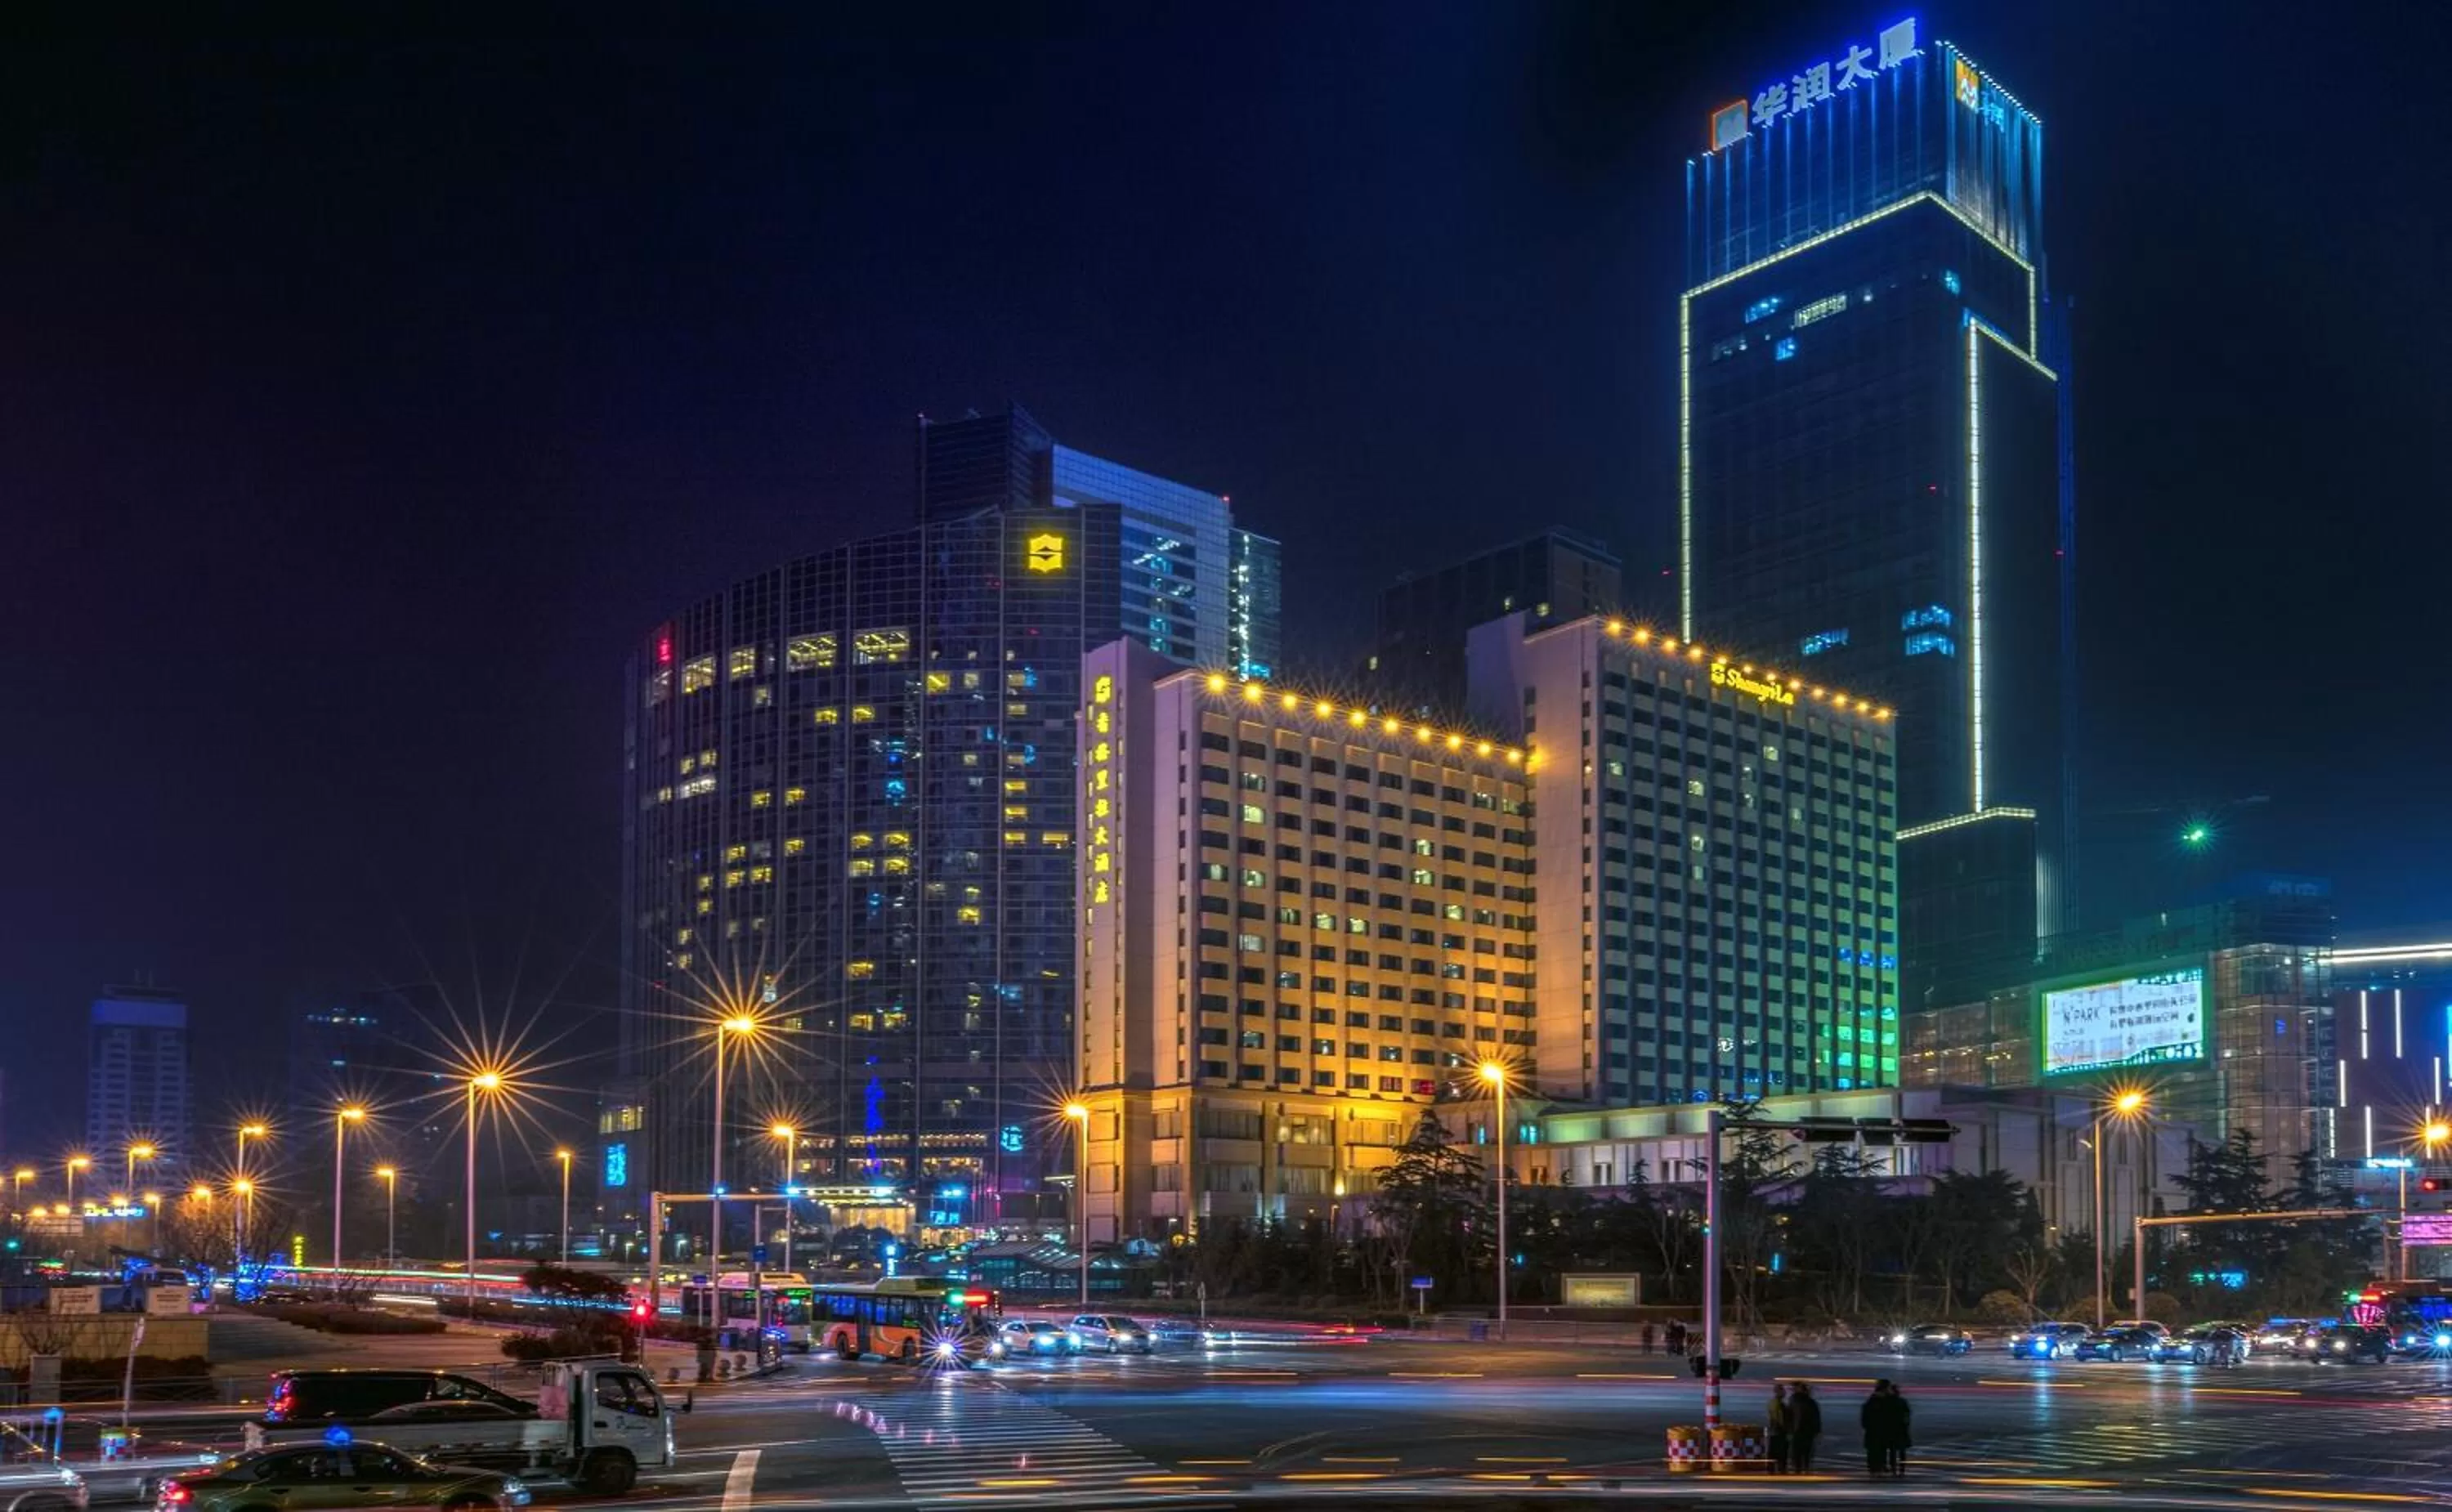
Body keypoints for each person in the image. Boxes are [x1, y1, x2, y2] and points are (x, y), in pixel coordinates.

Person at [1861, 1380, 1911, 1478]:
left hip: (1879, 1431)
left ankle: (1879, 1468)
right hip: (1888, 1430)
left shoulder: (1875, 1400)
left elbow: (1866, 1416)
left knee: (1880, 1450)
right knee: (1891, 1450)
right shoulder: (1889, 1401)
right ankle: (1891, 1469)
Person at [1788, 1380, 1822, 1471]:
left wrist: (1789, 1429)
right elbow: (1816, 1417)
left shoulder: (1794, 1401)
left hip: (1798, 1431)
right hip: (1807, 1432)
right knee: (1806, 1451)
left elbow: (1790, 1416)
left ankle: (1798, 1468)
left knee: (1798, 1451)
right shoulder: (1810, 1402)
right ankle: (1805, 1467)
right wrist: (1817, 1430)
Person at [1765, 1382, 1792, 1474]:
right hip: (1779, 1431)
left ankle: (1772, 1468)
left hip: (1774, 1430)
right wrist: (1787, 1429)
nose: (1785, 1393)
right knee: (1780, 1451)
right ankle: (1781, 1469)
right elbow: (1780, 1419)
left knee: (1773, 1451)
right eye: (1783, 1390)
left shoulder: (1773, 1403)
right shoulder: (1779, 1404)